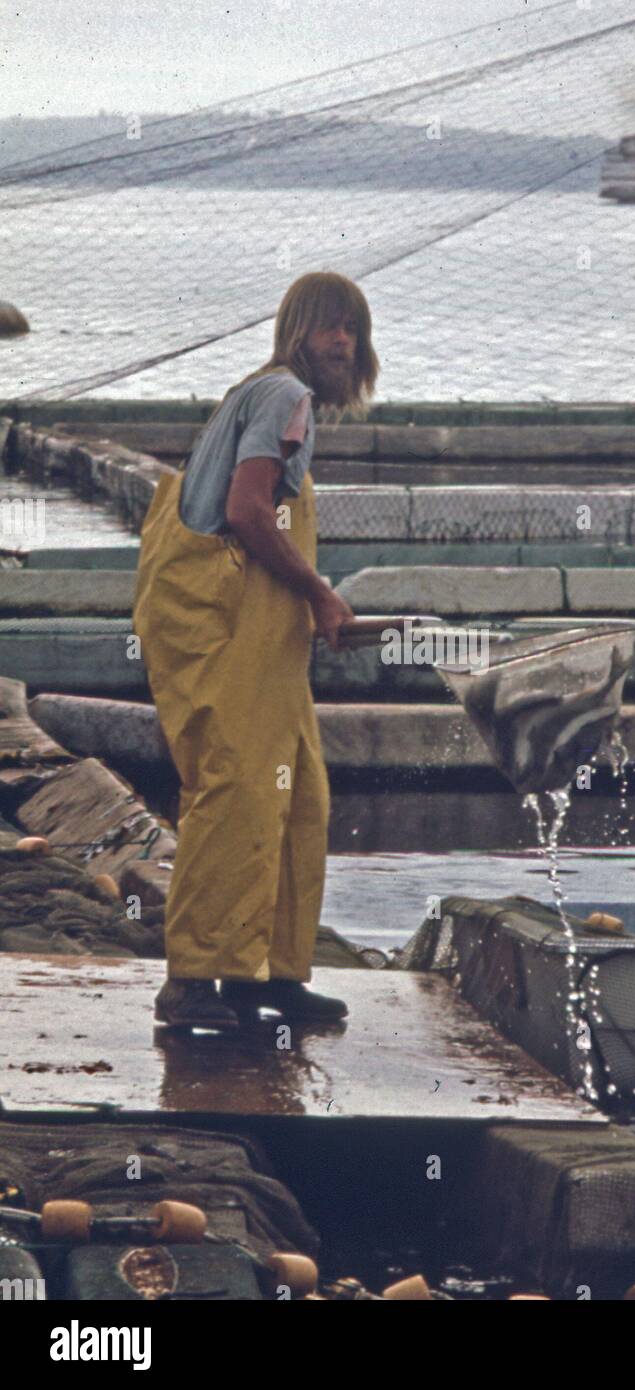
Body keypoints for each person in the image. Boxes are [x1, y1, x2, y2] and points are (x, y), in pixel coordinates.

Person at [132, 271, 379, 1030]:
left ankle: (262, 974)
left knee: (296, 795)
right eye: (329, 327)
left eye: (353, 330)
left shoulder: (280, 403)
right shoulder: (281, 396)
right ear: (296, 333)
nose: (342, 342)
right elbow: (245, 511)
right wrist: (319, 592)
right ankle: (193, 982)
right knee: (236, 792)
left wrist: (310, 603)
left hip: (263, 641)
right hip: (224, 627)